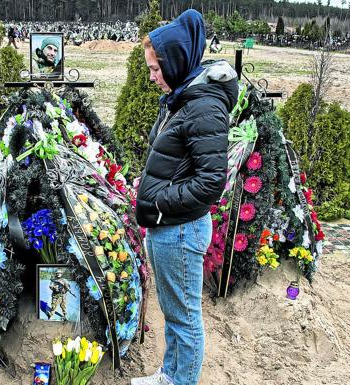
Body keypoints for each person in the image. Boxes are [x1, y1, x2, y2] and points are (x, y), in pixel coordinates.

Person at [132, 9, 238, 385]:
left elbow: (211, 182)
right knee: (174, 314)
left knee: (185, 317)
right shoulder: (185, 97)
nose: (152, 76)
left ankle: (181, 381)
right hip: (168, 228)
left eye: (155, 68)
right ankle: (170, 374)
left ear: (175, 62)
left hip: (179, 229)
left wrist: (158, 201)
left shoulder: (204, 106)